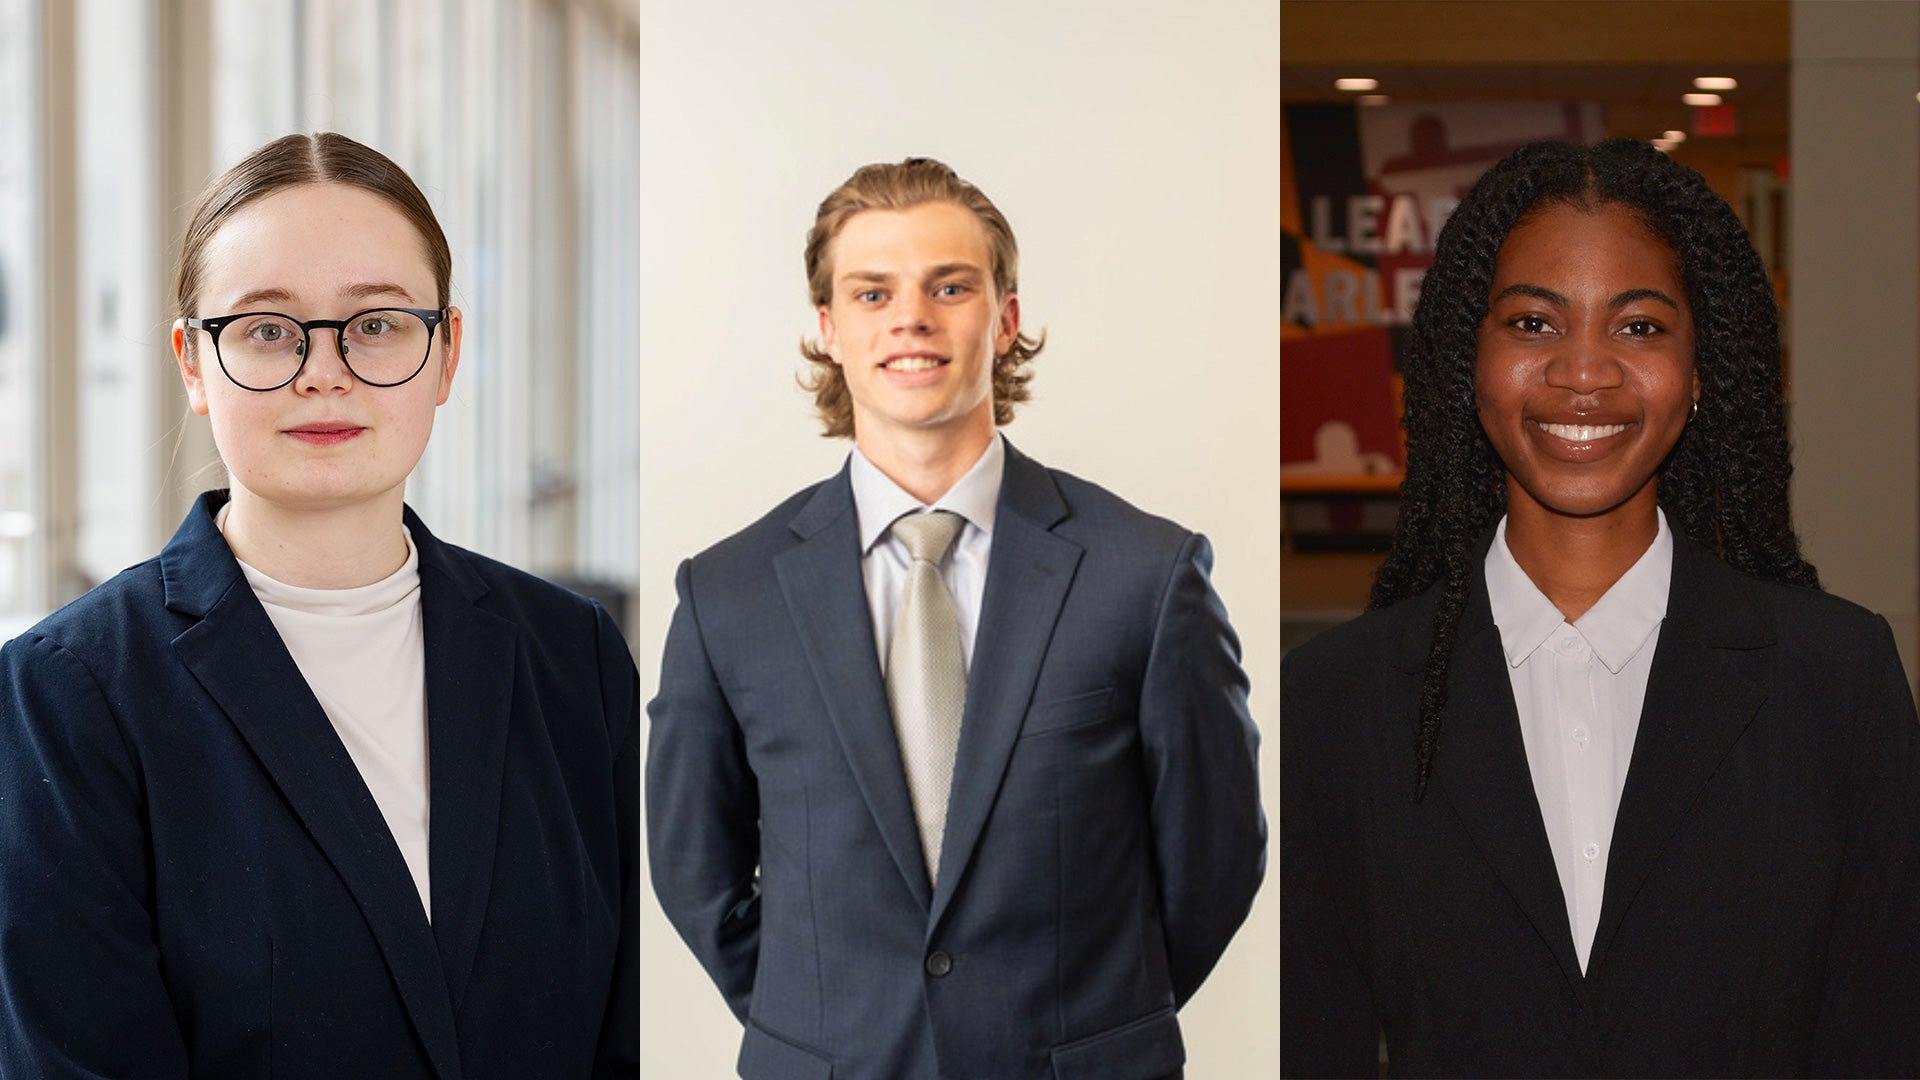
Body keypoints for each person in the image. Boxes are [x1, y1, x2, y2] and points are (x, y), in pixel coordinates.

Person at [0, 133, 637, 1078]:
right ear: (192, 365)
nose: (324, 371)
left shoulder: (569, 654)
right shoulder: (66, 695)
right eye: (267, 330)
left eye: (376, 324)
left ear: (447, 353)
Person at [1281, 138, 1920, 1077]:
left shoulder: (1835, 679)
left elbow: (1885, 1036)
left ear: (1703, 370)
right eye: (1534, 324)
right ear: (1469, 360)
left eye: (1640, 328)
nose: (1585, 372)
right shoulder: (1340, 701)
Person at [646, 157, 1266, 1080]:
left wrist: (1100, 1020)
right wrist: (821, 1016)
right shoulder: (726, 594)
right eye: (872, 292)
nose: (911, 318)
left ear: (1006, 317)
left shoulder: (1148, 573)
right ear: (828, 328)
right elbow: (694, 871)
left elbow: (1213, 865)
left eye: (950, 285)